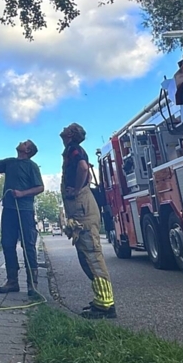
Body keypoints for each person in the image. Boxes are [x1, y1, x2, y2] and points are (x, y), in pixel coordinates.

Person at [0, 141, 45, 297]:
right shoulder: (10, 162)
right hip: (9, 210)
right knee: (7, 244)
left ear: (28, 150)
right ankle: (12, 282)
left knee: (28, 245)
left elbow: (40, 187)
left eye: (25, 143)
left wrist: (22, 193)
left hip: (25, 211)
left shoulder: (32, 166)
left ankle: (32, 284)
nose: (21, 142)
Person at [60, 122, 116, 319]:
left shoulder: (73, 149)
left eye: (68, 127)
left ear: (71, 134)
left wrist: (76, 190)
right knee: (86, 256)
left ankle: (106, 306)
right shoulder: (72, 150)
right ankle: (101, 299)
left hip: (82, 208)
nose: (64, 128)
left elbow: (83, 168)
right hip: (82, 208)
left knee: (91, 255)